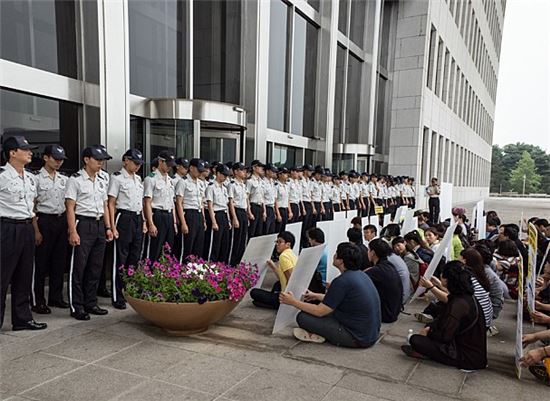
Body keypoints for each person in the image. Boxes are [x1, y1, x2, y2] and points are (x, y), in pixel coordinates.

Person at [279, 242, 381, 348]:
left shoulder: (342, 281)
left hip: (356, 338)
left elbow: (320, 311)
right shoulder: (360, 275)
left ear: (341, 261)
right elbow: (343, 300)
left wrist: (293, 302)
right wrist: (316, 295)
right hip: (370, 334)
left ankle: (319, 335)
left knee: (302, 317)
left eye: (336, 253)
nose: (334, 255)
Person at [402, 261, 488, 371]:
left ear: (448, 280)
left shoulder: (459, 303)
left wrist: (429, 333)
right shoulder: (465, 296)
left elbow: (445, 336)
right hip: (472, 352)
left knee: (415, 340)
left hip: (466, 357)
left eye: (443, 274)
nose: (441, 276)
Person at [0, 136, 47, 331]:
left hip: (27, 227)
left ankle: (22, 319)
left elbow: (32, 207)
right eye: (25, 149)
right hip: (7, 228)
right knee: (2, 276)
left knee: (24, 275)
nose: (30, 152)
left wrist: (35, 230)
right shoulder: (2, 176)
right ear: (12, 153)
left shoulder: (30, 177)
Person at [65, 145, 114, 320]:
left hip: (99, 224)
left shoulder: (101, 180)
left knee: (95, 267)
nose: (101, 163)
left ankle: (91, 302)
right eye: (97, 159)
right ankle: (76, 306)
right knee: (78, 267)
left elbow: (105, 206)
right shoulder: (75, 180)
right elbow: (70, 208)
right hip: (82, 224)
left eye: (102, 160)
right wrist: (72, 231)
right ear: (86, 160)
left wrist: (108, 228)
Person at [31, 145, 69, 314]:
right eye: (56, 158)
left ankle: (56, 297)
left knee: (59, 262)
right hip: (44, 221)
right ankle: (38, 300)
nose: (59, 162)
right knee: (41, 263)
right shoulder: (36, 178)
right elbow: (31, 206)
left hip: (60, 221)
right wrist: (36, 230)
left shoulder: (64, 179)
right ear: (46, 158)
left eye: (61, 159)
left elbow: (68, 204)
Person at [107, 149, 145, 310]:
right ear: (125, 161)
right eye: (135, 163)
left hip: (136, 218)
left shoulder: (138, 179)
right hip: (123, 218)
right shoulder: (117, 178)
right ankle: (117, 295)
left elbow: (140, 203)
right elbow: (111, 203)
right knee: (120, 258)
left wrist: (143, 221)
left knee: (134, 257)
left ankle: (129, 290)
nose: (137, 166)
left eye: (139, 164)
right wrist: (112, 227)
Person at [143, 150, 177, 262]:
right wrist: (151, 223)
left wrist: (175, 222)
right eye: (167, 164)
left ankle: (165, 275)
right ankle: (150, 275)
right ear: (160, 161)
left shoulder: (170, 180)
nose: (169, 167)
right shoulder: (151, 179)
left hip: (169, 216)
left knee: (168, 250)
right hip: (157, 215)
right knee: (155, 249)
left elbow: (172, 203)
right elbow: (147, 202)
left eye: (171, 165)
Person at [250, 231, 297, 310]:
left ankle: (276, 304)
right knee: (277, 284)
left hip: (286, 298)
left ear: (288, 244)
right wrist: (273, 266)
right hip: (291, 293)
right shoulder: (292, 254)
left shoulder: (284, 256)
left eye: (280, 242)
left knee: (254, 292)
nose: (277, 244)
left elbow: (291, 278)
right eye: (276, 241)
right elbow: (282, 277)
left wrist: (288, 299)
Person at [175, 158, 207, 260]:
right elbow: (179, 203)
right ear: (191, 168)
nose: (200, 173)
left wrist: (204, 219)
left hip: (198, 215)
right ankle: (183, 270)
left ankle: (195, 271)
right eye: (198, 170)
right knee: (187, 247)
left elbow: (201, 202)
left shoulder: (200, 183)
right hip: (188, 214)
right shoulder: (183, 182)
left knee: (199, 246)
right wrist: (183, 223)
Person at [365, 239, 403, 323]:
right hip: (393, 311)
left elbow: (358, 278)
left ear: (373, 253)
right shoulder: (388, 265)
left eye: (368, 250)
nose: (367, 252)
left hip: (386, 315)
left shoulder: (378, 270)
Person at [203, 164, 231, 263]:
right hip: (216, 215)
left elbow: (226, 206)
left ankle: (221, 267)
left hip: (224, 215)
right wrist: (214, 222)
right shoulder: (211, 187)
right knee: (214, 243)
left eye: (227, 175)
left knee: (224, 244)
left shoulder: (224, 188)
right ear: (218, 173)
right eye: (224, 175)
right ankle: (211, 265)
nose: (225, 177)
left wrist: (228, 220)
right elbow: (210, 206)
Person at [228, 162, 249, 266]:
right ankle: (231, 263)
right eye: (242, 170)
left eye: (245, 170)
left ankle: (239, 262)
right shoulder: (232, 185)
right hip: (236, 211)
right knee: (235, 239)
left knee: (242, 239)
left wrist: (248, 213)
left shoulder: (243, 185)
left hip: (243, 211)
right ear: (235, 171)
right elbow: (231, 202)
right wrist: (234, 218)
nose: (244, 172)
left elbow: (246, 200)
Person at [247, 160, 266, 238]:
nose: (262, 168)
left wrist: (264, 211)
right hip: (253, 206)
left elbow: (262, 197)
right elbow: (247, 197)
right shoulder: (249, 181)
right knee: (252, 232)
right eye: (259, 166)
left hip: (260, 207)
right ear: (254, 168)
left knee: (259, 232)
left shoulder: (262, 181)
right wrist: (249, 212)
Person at [274, 167, 292, 233]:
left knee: (284, 230)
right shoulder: (276, 185)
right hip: (279, 209)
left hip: (285, 209)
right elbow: (275, 200)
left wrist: (290, 211)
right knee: (278, 230)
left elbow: (287, 199)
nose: (287, 175)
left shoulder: (286, 186)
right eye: (284, 173)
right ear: (279, 174)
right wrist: (278, 214)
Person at [262, 163, 278, 235]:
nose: (274, 173)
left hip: (271, 208)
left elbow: (274, 199)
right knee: (265, 230)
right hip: (266, 208)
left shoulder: (272, 182)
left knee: (272, 231)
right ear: (267, 171)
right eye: (272, 171)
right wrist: (264, 211)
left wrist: (275, 211)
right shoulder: (263, 182)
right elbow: (262, 198)